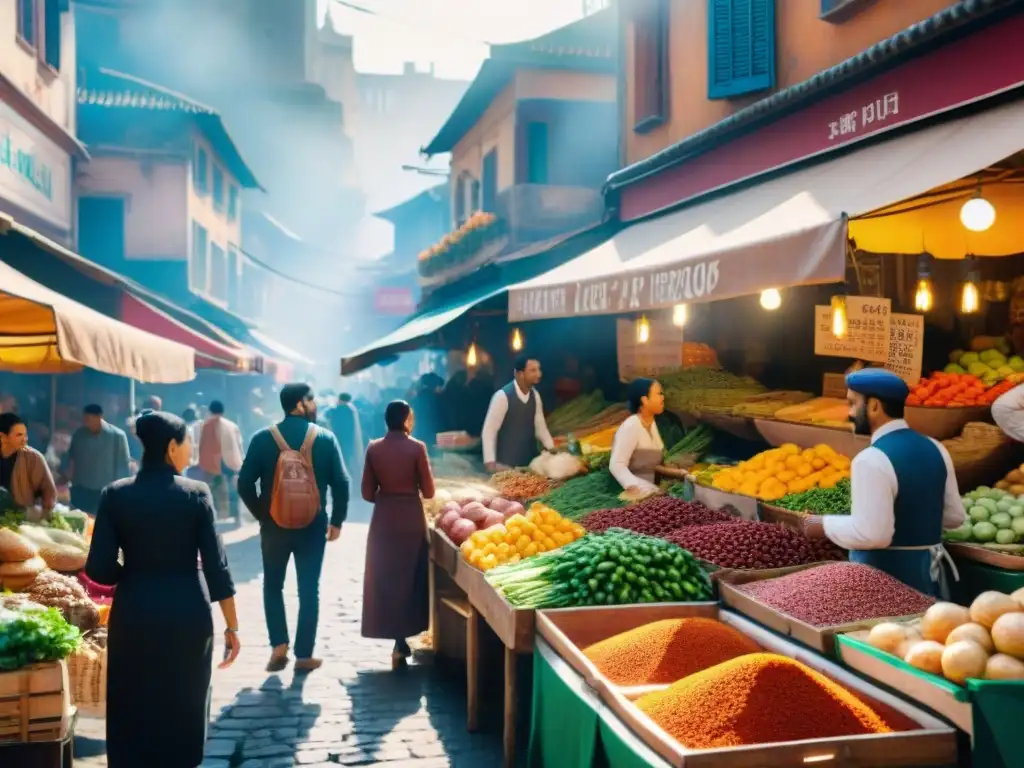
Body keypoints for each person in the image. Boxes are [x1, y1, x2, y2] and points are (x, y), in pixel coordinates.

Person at [84, 410, 238, 768]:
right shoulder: (196, 494)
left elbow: (99, 569)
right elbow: (217, 567)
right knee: (183, 701)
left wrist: (134, 571)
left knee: (132, 701)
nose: (191, 452)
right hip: (188, 612)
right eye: (188, 445)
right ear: (172, 447)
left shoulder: (115, 494)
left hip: (134, 611)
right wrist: (232, 626)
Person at [802, 369, 966, 596]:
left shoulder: (871, 459)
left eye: (852, 403)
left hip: (886, 584)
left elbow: (873, 534)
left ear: (874, 406)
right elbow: (955, 517)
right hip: (929, 577)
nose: (849, 413)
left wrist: (821, 524)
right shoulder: (936, 447)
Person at [238, 382, 350, 673]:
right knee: (308, 590)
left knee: (273, 585)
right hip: (313, 527)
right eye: (311, 400)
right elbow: (342, 482)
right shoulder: (325, 438)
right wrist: (337, 520)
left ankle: (278, 647)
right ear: (300, 403)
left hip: (274, 527)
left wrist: (263, 513)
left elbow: (244, 483)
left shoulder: (263, 438)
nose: (314, 405)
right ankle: (303, 655)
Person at [361, 400, 435, 669]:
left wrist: (387, 493)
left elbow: (367, 494)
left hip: (383, 521)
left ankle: (398, 639)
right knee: (411, 578)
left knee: (387, 579)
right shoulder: (417, 448)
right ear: (405, 420)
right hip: (411, 521)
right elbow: (428, 492)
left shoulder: (374, 449)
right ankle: (402, 641)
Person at [481, 356, 555, 471]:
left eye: (538, 370)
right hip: (506, 465)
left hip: (529, 463)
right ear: (519, 374)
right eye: (533, 370)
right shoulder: (502, 396)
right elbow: (489, 430)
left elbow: (540, 426)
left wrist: (551, 448)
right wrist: (490, 462)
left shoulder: (535, 396)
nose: (539, 374)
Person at [65, 404, 131, 514]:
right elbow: (71, 460)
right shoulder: (79, 435)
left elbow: (123, 466)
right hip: (81, 491)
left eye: (89, 419)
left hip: (105, 492)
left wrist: (121, 493)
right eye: (84, 419)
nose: (86, 423)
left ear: (100, 417)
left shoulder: (117, 436)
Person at [609, 378, 666, 494]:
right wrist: (634, 487)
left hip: (652, 488)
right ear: (645, 400)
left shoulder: (652, 423)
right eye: (658, 394)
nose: (663, 397)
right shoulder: (631, 426)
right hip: (634, 493)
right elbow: (616, 465)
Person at [0, 413, 57, 515]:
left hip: (23, 518)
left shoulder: (33, 458)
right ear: (3, 437)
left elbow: (48, 490)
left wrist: (44, 512)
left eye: (25, 434)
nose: (25, 439)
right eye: (19, 435)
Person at [198, 400, 244, 520]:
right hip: (232, 461)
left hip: (214, 462)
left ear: (210, 411)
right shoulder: (232, 425)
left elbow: (203, 445)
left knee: (211, 489)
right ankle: (236, 515)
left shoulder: (207, 425)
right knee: (233, 488)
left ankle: (215, 516)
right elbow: (239, 444)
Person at [327, 393, 364, 481]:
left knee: (340, 461)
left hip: (339, 439)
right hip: (350, 441)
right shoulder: (352, 410)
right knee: (347, 460)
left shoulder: (336, 410)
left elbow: (328, 418)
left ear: (340, 399)